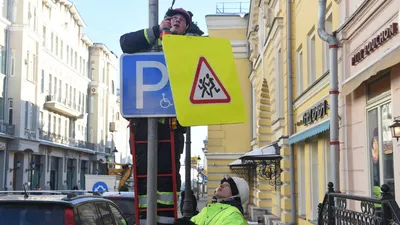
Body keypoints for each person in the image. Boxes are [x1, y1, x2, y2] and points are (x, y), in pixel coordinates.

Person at [119, 7, 204, 225]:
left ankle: (165, 218)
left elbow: (200, 42)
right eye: (172, 18)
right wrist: (157, 29)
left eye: (181, 21)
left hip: (172, 121)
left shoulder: (190, 42)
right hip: (145, 119)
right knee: (145, 170)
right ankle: (146, 217)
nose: (176, 21)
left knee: (168, 171)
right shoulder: (151, 39)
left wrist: (186, 25)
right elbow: (125, 43)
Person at [174, 175, 249, 225]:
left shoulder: (234, 216)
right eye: (222, 183)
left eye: (227, 186)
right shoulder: (209, 209)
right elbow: (194, 221)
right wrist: (190, 215)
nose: (221, 185)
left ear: (236, 195)